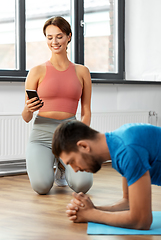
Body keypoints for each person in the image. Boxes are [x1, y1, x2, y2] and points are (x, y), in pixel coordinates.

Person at [22, 16, 93, 195]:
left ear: (69, 36)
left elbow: (86, 110)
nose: (54, 41)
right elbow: (26, 117)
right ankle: (50, 161)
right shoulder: (36, 71)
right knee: (41, 187)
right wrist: (28, 109)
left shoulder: (82, 71)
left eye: (59, 36)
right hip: (41, 135)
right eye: (49, 37)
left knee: (83, 185)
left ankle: (62, 165)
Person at [52, 120, 161, 230]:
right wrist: (93, 209)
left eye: (72, 161)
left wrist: (91, 214)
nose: (75, 170)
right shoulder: (119, 144)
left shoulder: (127, 151)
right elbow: (128, 203)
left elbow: (141, 220)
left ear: (84, 146)